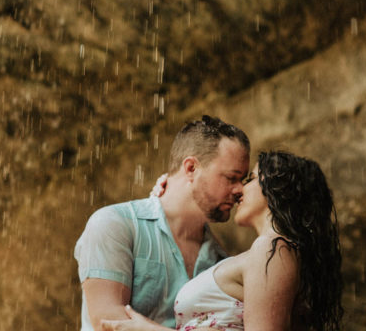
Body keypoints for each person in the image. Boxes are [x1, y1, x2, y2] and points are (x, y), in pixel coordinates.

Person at [101, 150, 344, 331]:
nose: (239, 190)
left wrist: (149, 330)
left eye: (249, 179)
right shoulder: (266, 253)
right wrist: (175, 196)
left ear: (278, 189)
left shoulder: (274, 249)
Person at [74, 116, 251, 331]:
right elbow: (108, 325)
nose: (240, 189)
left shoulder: (219, 261)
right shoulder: (115, 224)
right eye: (232, 178)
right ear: (191, 168)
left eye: (243, 180)